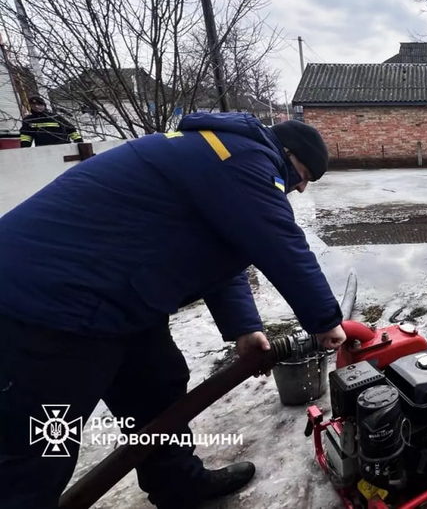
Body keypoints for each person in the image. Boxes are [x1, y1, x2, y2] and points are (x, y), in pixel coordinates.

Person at [0, 112, 347, 509]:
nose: (301, 188)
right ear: (287, 154)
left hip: (115, 297)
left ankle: (179, 485)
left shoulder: (219, 153)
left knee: (157, 386)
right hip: (45, 304)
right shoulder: (238, 157)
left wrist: (243, 327)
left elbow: (227, 245)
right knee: (42, 445)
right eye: (304, 175)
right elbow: (280, 242)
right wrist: (324, 322)